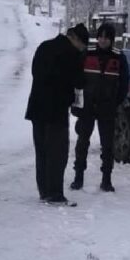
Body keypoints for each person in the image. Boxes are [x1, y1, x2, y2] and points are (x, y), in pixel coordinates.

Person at [25, 23, 89, 206]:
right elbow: (79, 81)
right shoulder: (72, 54)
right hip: (56, 110)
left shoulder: (45, 46)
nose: (82, 49)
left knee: (42, 151)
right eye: (82, 45)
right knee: (57, 152)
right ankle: (55, 194)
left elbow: (35, 71)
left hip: (37, 108)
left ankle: (44, 191)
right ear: (75, 39)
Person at [70, 22, 130, 193]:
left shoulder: (119, 58)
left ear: (112, 39)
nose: (103, 40)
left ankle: (106, 180)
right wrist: (76, 104)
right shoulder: (86, 54)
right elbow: (76, 78)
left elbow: (124, 83)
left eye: (107, 38)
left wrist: (116, 102)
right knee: (82, 143)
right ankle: (78, 177)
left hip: (107, 108)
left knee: (108, 145)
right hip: (87, 106)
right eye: (101, 37)